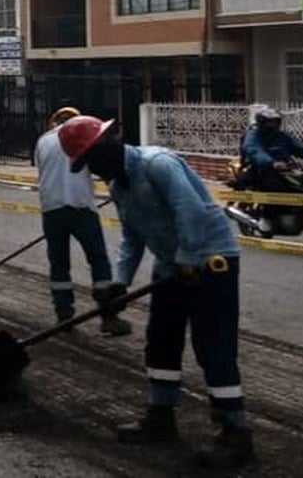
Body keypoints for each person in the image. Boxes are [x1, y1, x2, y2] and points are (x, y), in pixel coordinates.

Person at [57, 115, 251, 469]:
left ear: (110, 143)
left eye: (94, 160)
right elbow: (133, 237)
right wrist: (120, 281)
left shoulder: (158, 164)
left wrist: (189, 260)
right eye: (87, 165)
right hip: (172, 265)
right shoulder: (119, 187)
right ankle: (160, 417)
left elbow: (189, 212)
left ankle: (235, 435)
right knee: (161, 339)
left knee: (213, 347)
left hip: (211, 261)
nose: (95, 170)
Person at [34, 106, 130, 336]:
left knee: (59, 264)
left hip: (52, 210)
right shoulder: (80, 139)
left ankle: (64, 316)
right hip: (82, 207)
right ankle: (108, 316)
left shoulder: (42, 142)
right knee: (98, 261)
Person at [238, 106, 303, 234]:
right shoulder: (253, 135)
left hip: (285, 169)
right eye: (269, 121)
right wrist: (271, 163)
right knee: (276, 190)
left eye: (275, 121)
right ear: (261, 122)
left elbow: (299, 148)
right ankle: (266, 218)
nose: (273, 124)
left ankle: (300, 213)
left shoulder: (281, 136)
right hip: (260, 170)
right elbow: (255, 150)